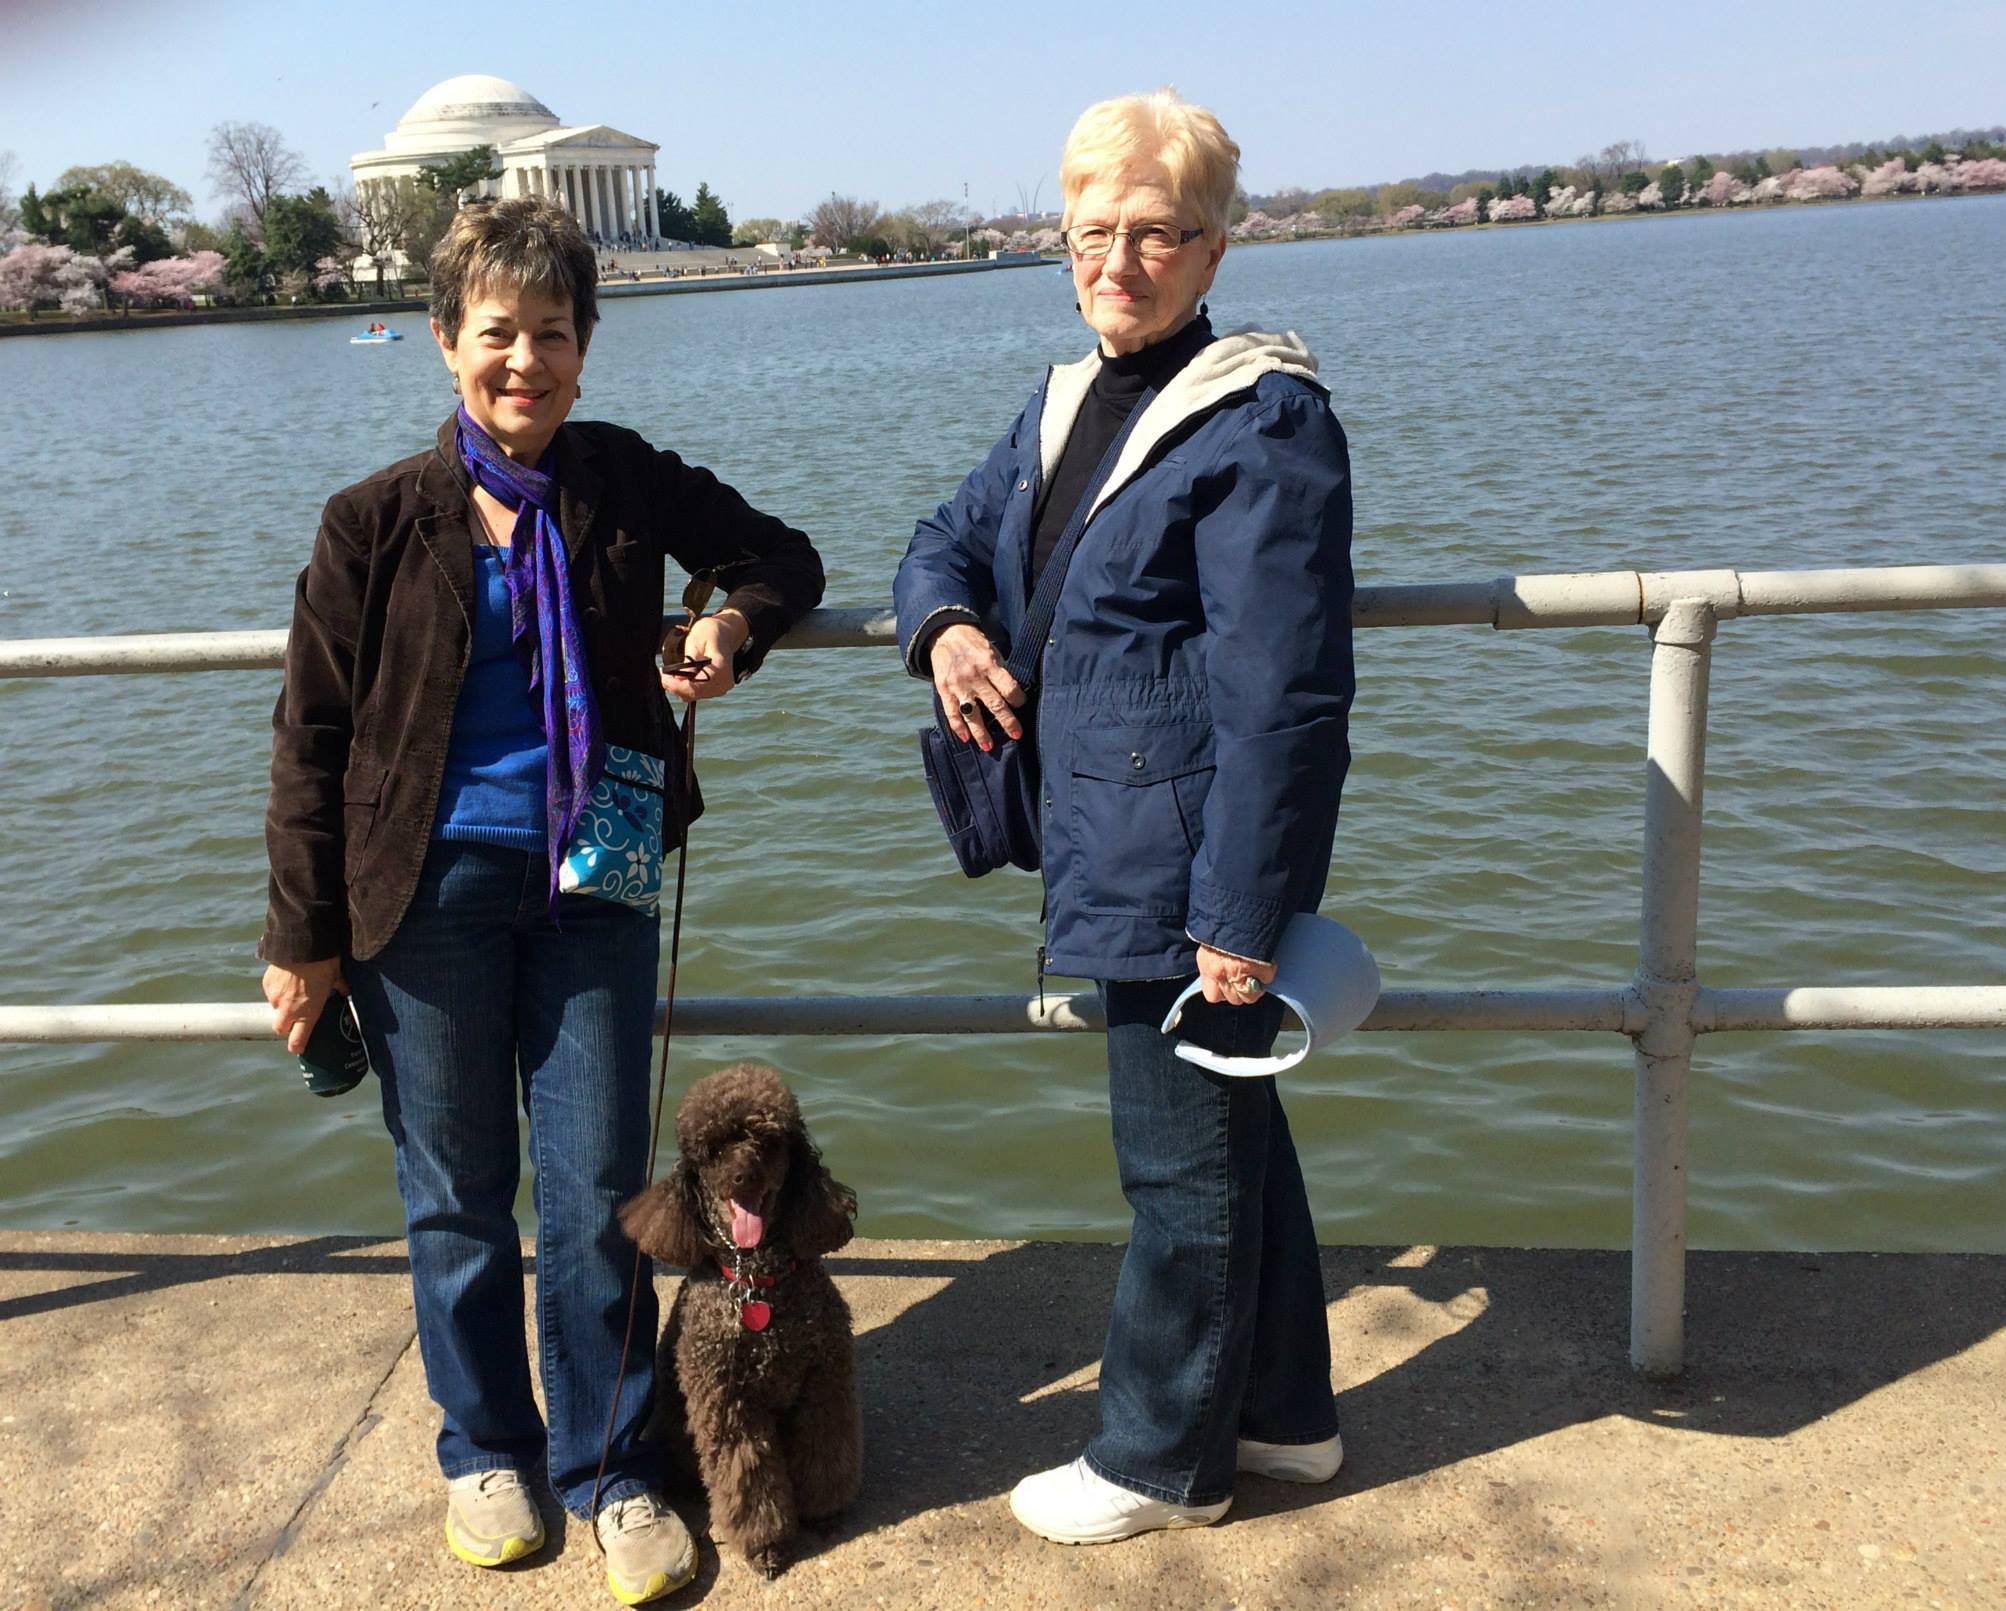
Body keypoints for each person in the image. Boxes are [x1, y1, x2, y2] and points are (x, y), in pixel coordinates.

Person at [260, 196, 824, 1604]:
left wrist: (727, 625)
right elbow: (310, 742)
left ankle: (612, 1465)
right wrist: (301, 943)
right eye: (496, 332)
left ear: (587, 347)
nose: (526, 361)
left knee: (593, 1193)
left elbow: (781, 555)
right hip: (422, 896)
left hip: (597, 881)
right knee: (452, 1194)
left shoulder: (620, 480)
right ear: (446, 339)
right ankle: (484, 1450)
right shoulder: (372, 523)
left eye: (554, 334)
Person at [893, 88, 1355, 1544]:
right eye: (1095, 231)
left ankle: (1165, 1461)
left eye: (1156, 233)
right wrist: (950, 629)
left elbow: (1286, 695)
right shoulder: (1067, 399)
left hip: (1180, 855)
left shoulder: (1261, 421)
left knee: (1179, 1167)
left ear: (1215, 250)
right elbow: (944, 539)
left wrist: (1237, 912)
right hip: (1111, 829)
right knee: (1234, 1142)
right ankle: (1284, 1419)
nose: (1120, 259)